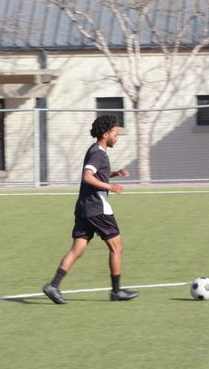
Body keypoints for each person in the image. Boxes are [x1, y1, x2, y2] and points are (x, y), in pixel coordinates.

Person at [42, 114, 139, 304]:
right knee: (117, 247)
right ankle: (116, 291)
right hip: (97, 208)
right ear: (105, 134)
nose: (116, 137)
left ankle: (53, 286)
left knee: (77, 249)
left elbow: (97, 174)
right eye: (115, 134)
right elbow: (87, 176)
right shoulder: (98, 152)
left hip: (84, 207)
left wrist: (114, 174)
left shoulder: (96, 151)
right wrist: (111, 187)